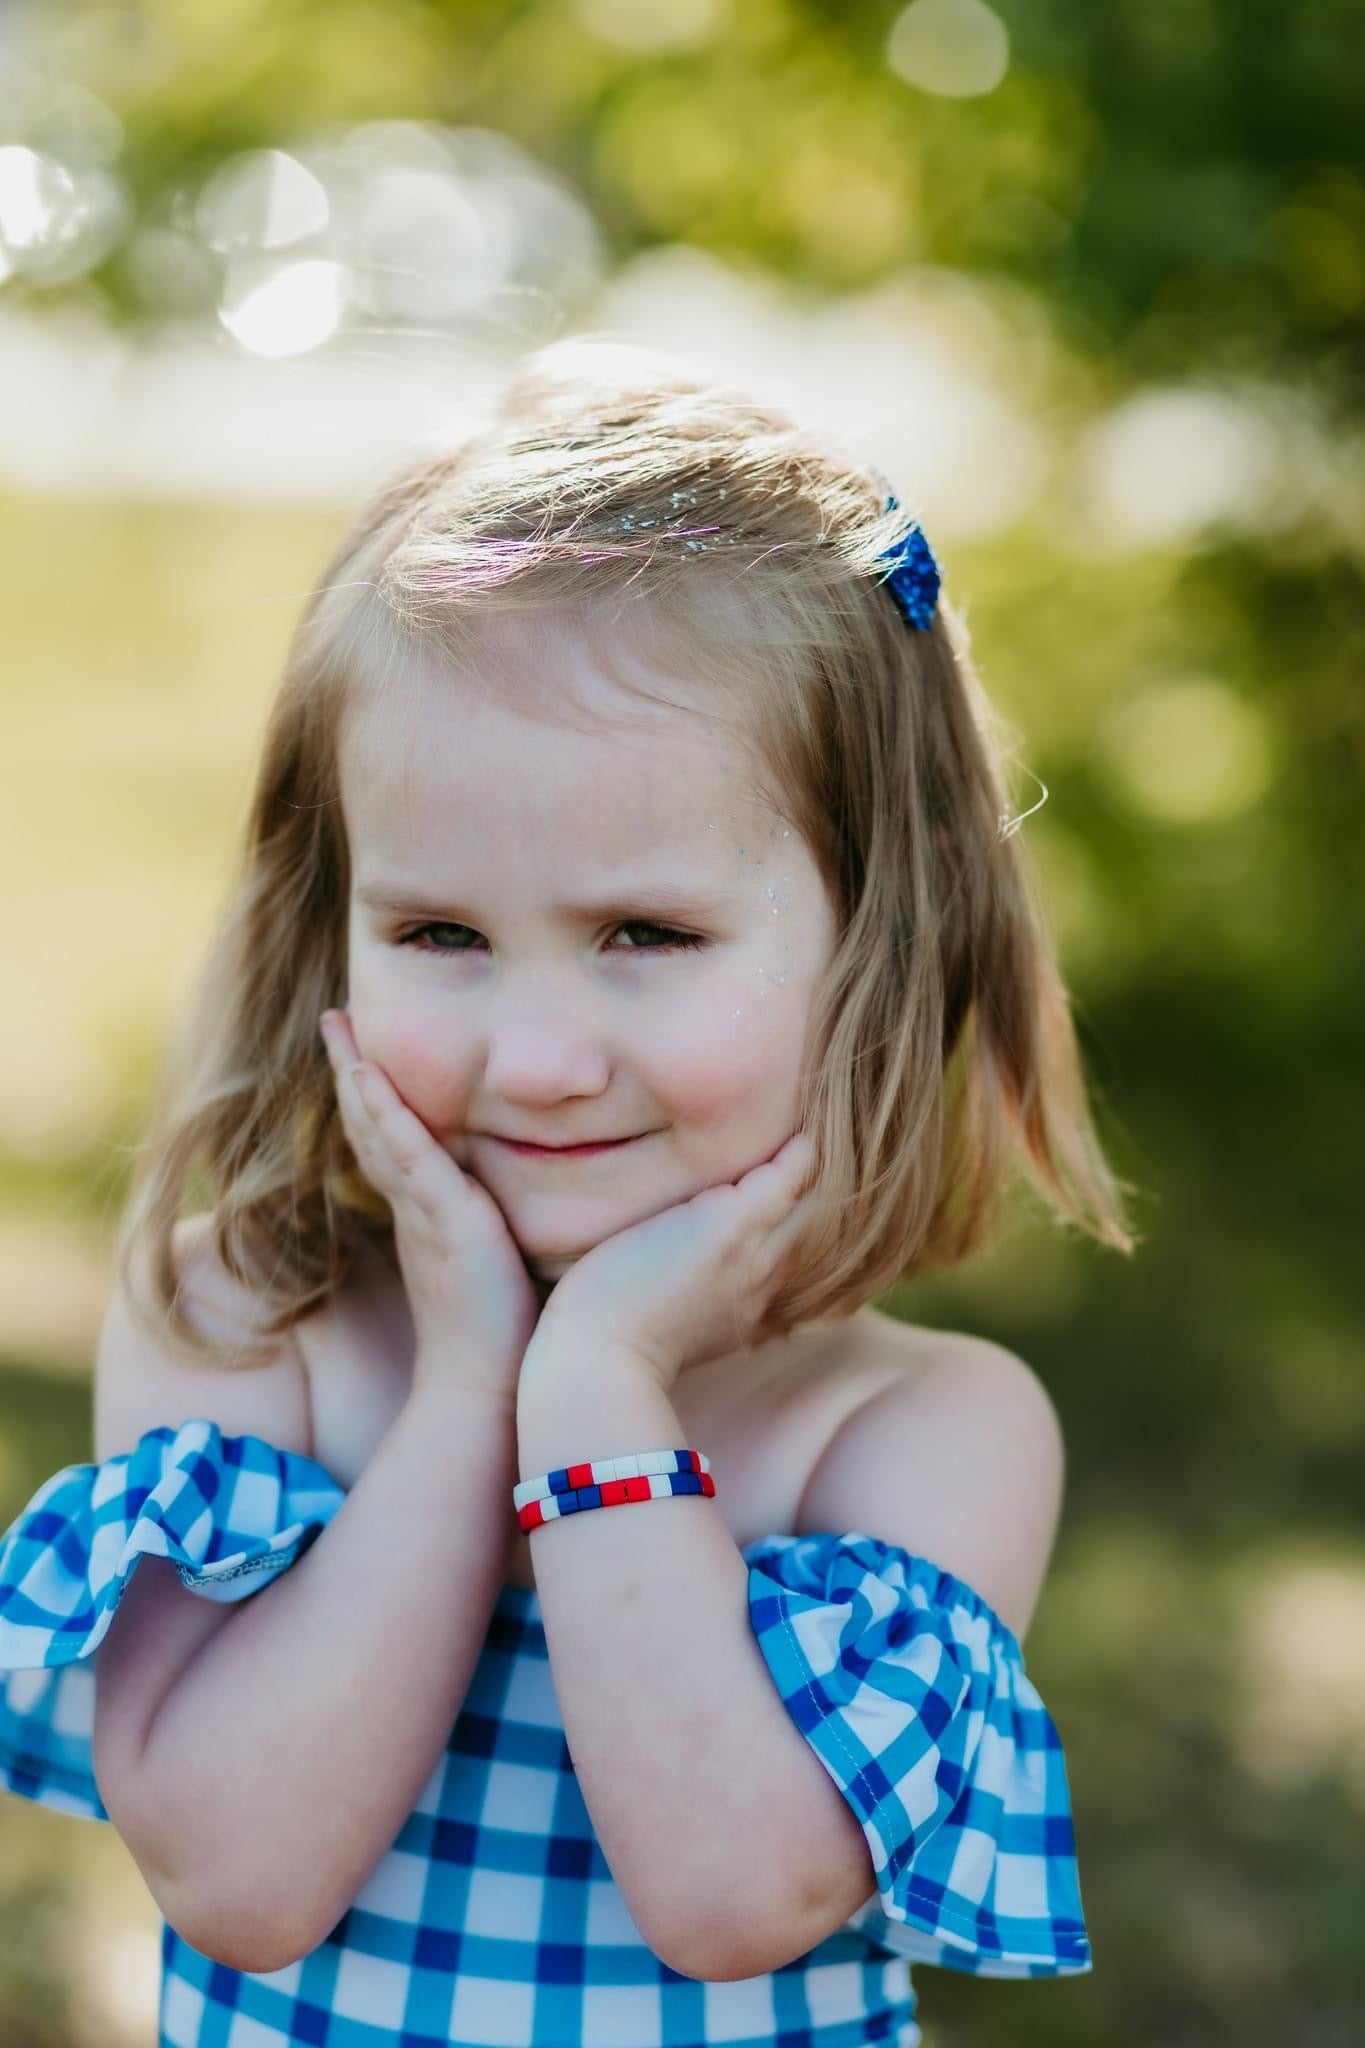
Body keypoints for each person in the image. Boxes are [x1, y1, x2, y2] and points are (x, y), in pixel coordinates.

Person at [0, 334, 1136, 2047]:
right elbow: (240, 1879)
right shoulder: (251, 1322)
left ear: (878, 952)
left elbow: (731, 1896)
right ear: (333, 924)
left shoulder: (909, 1427)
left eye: (646, 937)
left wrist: (592, 1387)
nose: (535, 1056)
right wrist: (468, 1390)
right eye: (440, 934)